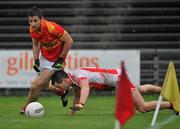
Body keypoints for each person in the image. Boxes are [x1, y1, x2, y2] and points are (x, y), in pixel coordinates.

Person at [51, 67, 174, 115]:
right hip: (118, 79)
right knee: (140, 89)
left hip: (119, 80)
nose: (60, 89)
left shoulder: (78, 76)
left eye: (59, 86)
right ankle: (166, 90)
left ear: (65, 80)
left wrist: (81, 104)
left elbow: (85, 88)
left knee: (142, 107)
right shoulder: (73, 80)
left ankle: (173, 105)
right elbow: (77, 96)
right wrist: (73, 112)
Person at [20, 6, 73, 114]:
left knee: (35, 85)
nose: (33, 24)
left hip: (55, 61)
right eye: (30, 21)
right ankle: (61, 92)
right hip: (44, 58)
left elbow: (69, 41)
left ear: (41, 19)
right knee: (44, 86)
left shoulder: (51, 28)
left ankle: (25, 109)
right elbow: (35, 44)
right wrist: (36, 59)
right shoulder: (33, 29)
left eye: (35, 20)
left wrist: (61, 58)